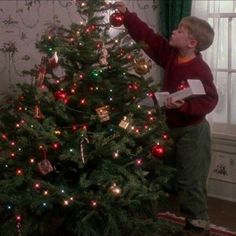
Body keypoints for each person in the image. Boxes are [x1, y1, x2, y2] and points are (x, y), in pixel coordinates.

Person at [114, 2, 218, 236]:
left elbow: (210, 100)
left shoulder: (200, 69)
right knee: (154, 170)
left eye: (180, 30)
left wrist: (187, 105)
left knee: (191, 179)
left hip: (193, 131)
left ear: (192, 43)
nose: (174, 31)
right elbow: (148, 37)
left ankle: (197, 225)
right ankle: (146, 214)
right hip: (167, 127)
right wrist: (127, 15)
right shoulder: (170, 55)